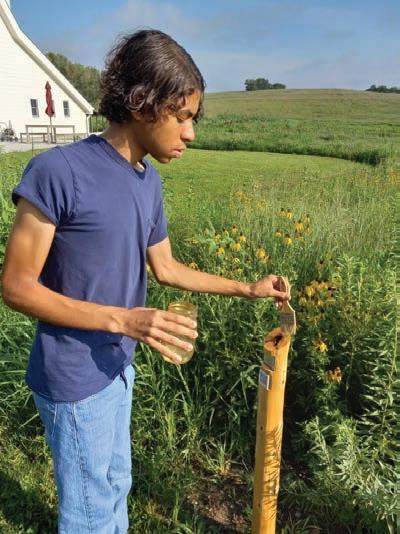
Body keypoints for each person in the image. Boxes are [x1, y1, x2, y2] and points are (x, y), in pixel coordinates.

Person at [1, 29, 290, 533]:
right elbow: (16, 287)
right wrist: (126, 320)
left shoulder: (147, 181)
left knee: (115, 484)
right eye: (181, 116)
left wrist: (247, 288)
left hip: (118, 366)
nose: (190, 134)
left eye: (193, 119)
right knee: (89, 512)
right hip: (74, 377)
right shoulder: (58, 172)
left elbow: (167, 268)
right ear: (141, 102)